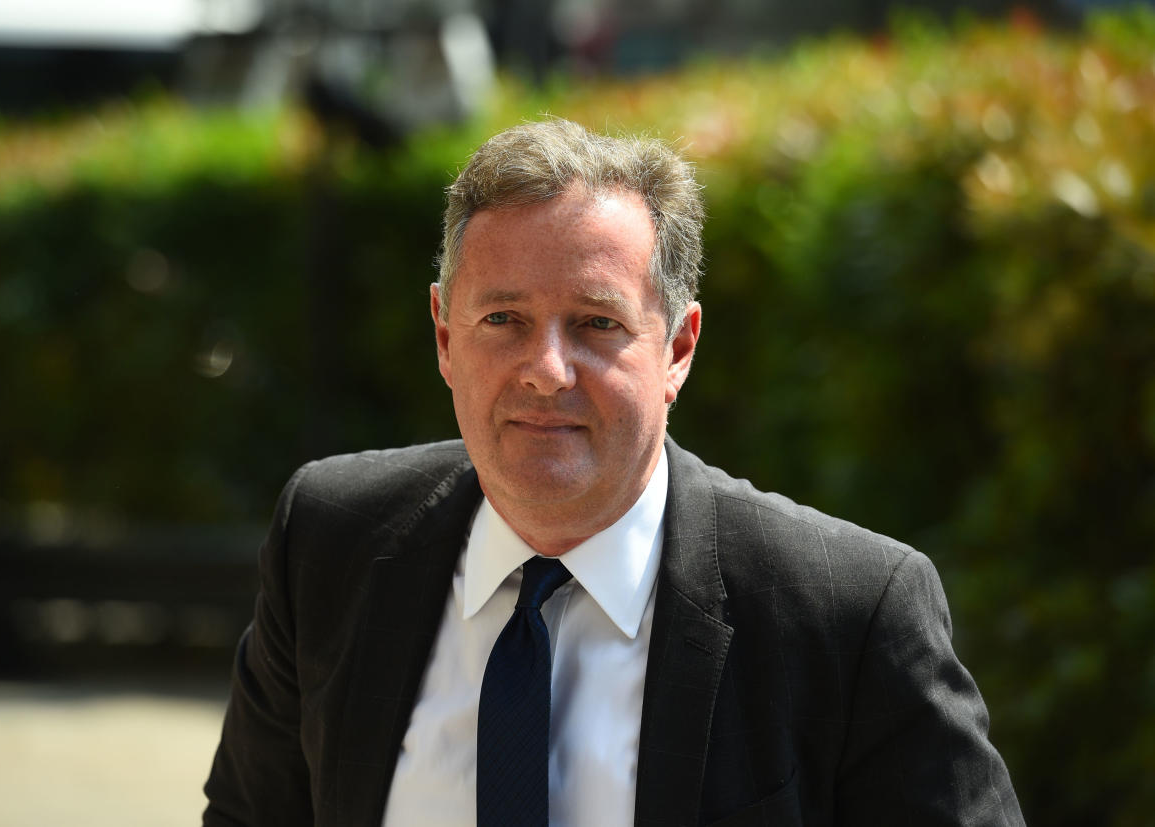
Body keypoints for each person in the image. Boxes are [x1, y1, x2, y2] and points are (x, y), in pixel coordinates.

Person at [203, 118, 1024, 826]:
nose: (547, 369)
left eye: (597, 323)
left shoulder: (847, 612)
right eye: (503, 319)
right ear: (446, 339)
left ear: (678, 347)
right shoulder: (330, 539)